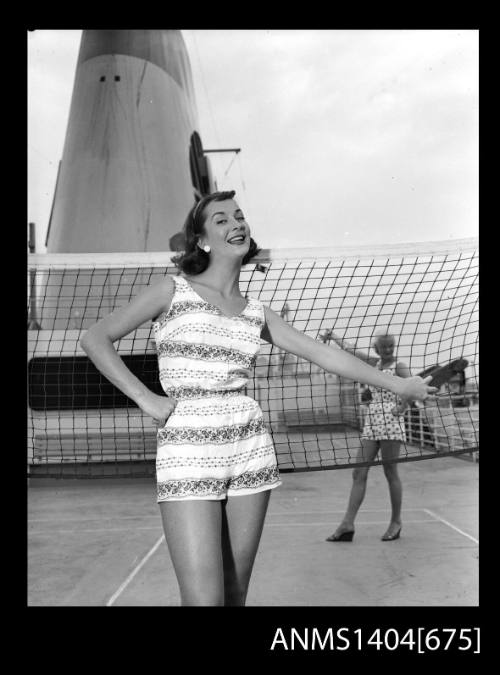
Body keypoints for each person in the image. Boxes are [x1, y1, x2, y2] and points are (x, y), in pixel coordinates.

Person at [80, 191, 436, 605]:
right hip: (188, 445)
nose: (236, 224)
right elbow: (96, 338)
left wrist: (400, 385)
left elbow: (323, 353)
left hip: (248, 443)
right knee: (203, 601)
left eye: (240, 216)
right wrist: (147, 400)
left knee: (234, 595)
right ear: (202, 240)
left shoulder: (257, 312)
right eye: (221, 220)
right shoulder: (171, 290)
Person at [326, 329, 411, 542]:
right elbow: (352, 351)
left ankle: (396, 522)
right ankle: (347, 524)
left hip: (391, 422)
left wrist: (402, 407)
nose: (388, 350)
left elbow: (411, 388)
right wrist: (333, 337)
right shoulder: (374, 364)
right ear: (377, 349)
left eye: (391, 345)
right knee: (358, 472)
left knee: (390, 472)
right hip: (372, 422)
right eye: (384, 347)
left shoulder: (399, 366)